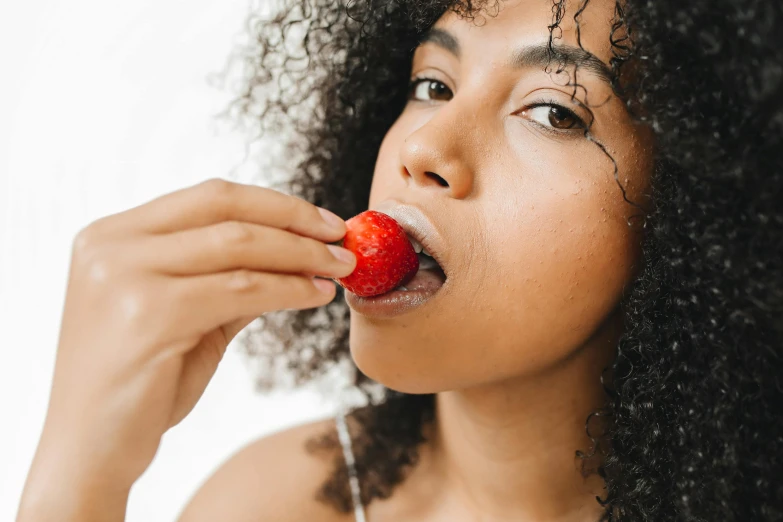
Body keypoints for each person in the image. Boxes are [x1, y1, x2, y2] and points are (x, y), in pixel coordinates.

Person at [17, 0, 782, 520]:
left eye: (553, 111)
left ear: (695, 214)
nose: (422, 146)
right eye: (431, 84)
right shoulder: (273, 504)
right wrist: (79, 473)